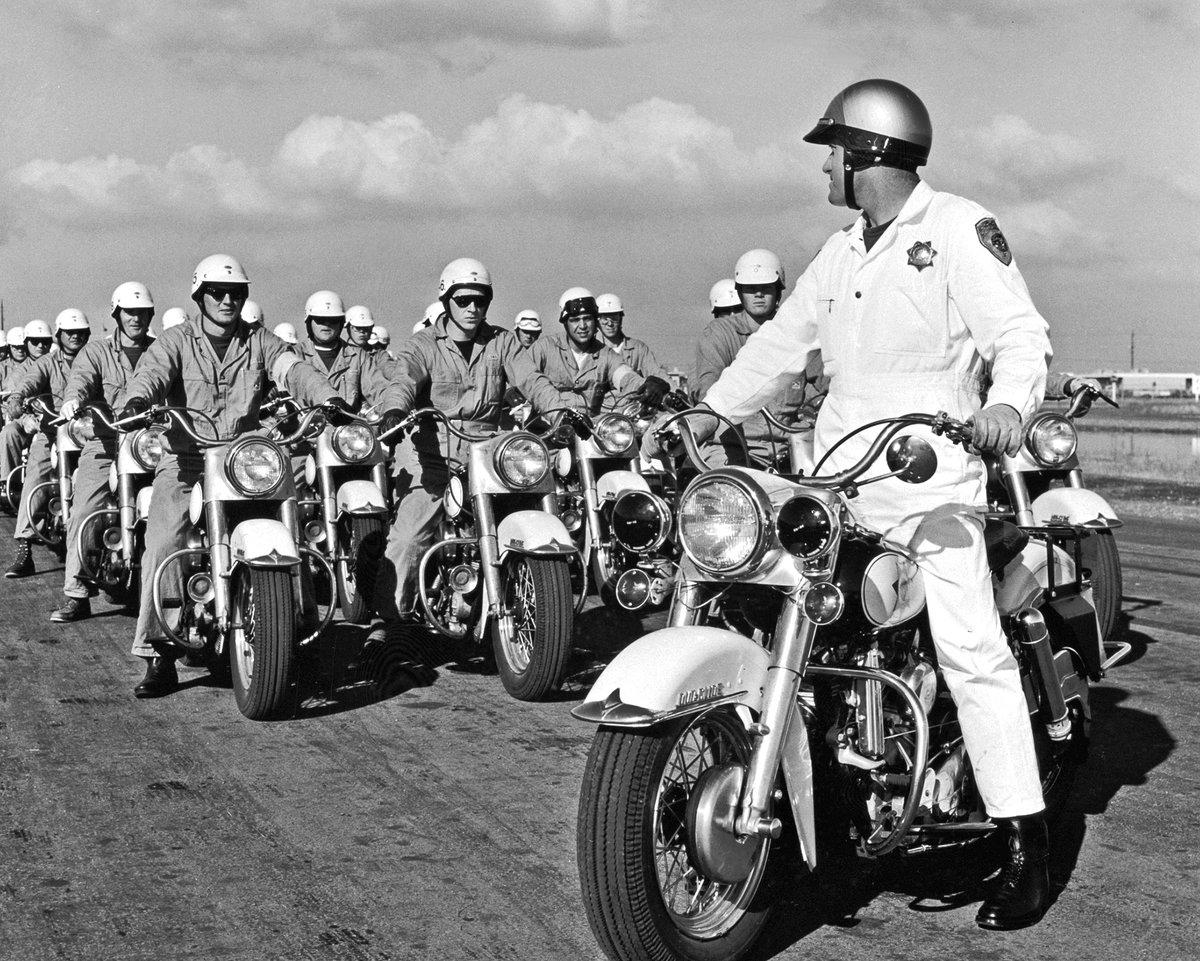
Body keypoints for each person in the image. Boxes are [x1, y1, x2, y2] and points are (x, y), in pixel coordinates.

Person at [675, 79, 1054, 930]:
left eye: (833, 152)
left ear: (869, 153)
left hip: (932, 483)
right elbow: (781, 342)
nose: (826, 169)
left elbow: (1020, 335)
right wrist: (713, 409)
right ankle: (814, 793)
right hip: (841, 481)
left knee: (970, 647)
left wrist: (1007, 405)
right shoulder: (842, 251)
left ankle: (1024, 843)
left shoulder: (956, 227)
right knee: (778, 605)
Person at [117, 255, 351, 698]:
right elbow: (152, 374)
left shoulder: (259, 340)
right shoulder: (175, 341)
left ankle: (298, 630)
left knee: (290, 531)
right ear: (199, 297)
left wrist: (327, 396)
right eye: (217, 293)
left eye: (236, 293)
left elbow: (292, 368)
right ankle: (159, 651)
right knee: (163, 540)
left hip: (247, 460)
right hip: (187, 460)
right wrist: (137, 402)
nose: (227, 300)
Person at [371, 258, 583, 623]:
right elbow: (404, 379)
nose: (472, 308)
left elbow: (531, 379)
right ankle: (387, 624)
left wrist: (558, 414)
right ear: (447, 301)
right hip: (433, 458)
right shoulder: (423, 344)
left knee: (527, 504)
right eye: (463, 300)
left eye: (480, 300)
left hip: (488, 455)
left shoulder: (502, 342)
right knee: (408, 538)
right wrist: (394, 410)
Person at [50, 283, 157, 621]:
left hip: (152, 443)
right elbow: (81, 378)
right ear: (117, 315)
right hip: (106, 442)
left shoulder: (160, 350)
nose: (136, 318)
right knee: (84, 509)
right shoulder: (97, 351)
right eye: (129, 312)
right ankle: (77, 592)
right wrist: (73, 400)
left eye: (142, 312)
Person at [694, 249, 827, 467]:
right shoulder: (719, 333)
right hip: (733, 445)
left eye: (766, 287)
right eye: (750, 288)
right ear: (739, 292)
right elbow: (708, 386)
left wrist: (815, 409)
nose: (758, 294)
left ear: (779, 290)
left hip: (788, 445)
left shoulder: (796, 333)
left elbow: (825, 380)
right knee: (724, 481)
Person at [4, 311, 92, 578]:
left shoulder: (94, 357)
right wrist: (18, 398)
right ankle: (25, 547)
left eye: (80, 332)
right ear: (60, 335)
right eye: (69, 332)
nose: (75, 337)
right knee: (36, 474)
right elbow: (30, 381)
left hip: (88, 431)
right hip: (52, 430)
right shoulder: (47, 362)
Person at [527, 288, 666, 414]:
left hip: (591, 427)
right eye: (575, 320)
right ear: (565, 323)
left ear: (595, 320)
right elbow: (523, 377)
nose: (582, 326)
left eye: (587, 319)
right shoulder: (543, 348)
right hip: (547, 425)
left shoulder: (606, 355)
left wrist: (646, 386)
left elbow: (625, 376)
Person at [593, 293, 670, 413]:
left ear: (621, 318)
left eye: (614, 318)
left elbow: (657, 373)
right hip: (601, 413)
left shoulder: (638, 348)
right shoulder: (591, 350)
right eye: (604, 318)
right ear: (597, 320)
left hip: (633, 410)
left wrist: (675, 392)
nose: (610, 323)